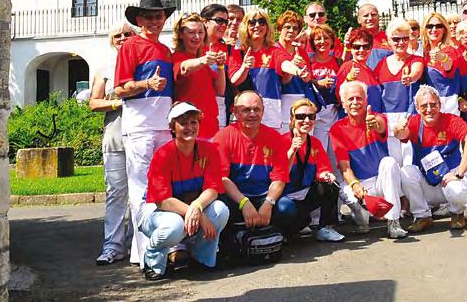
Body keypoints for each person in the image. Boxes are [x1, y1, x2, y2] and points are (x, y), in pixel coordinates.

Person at [114, 0, 176, 266]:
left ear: (164, 19)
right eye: (148, 17)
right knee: (140, 190)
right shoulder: (131, 47)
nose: (153, 21)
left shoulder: (165, 51)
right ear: (139, 20)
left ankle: (160, 247)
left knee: (162, 188)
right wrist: (146, 84)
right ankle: (141, 254)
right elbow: (119, 88)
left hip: (163, 127)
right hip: (139, 127)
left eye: (158, 16)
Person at [139, 102, 229, 280]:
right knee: (175, 225)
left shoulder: (209, 150)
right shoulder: (162, 155)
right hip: (157, 211)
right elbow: (162, 200)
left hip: (190, 208)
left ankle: (201, 259)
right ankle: (152, 261)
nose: (189, 127)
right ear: (173, 128)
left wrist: (196, 206)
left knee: (220, 210)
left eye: (193, 122)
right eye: (183, 123)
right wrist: (197, 213)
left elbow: (213, 189)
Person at [395, 86, 467, 231]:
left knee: (457, 190)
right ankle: (422, 216)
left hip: (450, 179)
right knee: (405, 172)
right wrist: (398, 128)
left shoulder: (451, 120)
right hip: (428, 181)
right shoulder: (415, 123)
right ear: (417, 108)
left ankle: (457, 213)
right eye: (424, 106)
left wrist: (459, 172)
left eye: (433, 104)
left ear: (439, 105)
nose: (429, 109)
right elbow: (400, 135)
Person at [329, 81, 408, 239]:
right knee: (345, 191)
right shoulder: (337, 129)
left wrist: (375, 124)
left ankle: (393, 222)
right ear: (343, 103)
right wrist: (355, 184)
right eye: (350, 99)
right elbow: (344, 165)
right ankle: (362, 219)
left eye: (359, 98)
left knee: (390, 162)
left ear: (366, 101)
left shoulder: (378, 117)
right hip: (361, 184)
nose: (355, 102)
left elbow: (380, 126)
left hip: (381, 182)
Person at [213, 91, 298, 235]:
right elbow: (222, 178)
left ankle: (270, 237)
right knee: (218, 210)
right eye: (246, 110)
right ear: (236, 112)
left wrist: (268, 203)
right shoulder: (223, 136)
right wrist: (244, 203)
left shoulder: (274, 137)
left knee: (287, 208)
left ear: (263, 111)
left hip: (263, 196)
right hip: (236, 197)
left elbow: (279, 177)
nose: (252, 114)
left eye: (257, 109)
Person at [91, 22, 136, 265]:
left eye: (127, 34)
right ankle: (113, 246)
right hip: (115, 135)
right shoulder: (105, 68)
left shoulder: (142, 63)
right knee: (116, 192)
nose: (122, 38)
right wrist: (115, 103)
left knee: (141, 192)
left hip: (140, 133)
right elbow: (93, 103)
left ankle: (137, 245)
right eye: (117, 35)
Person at [282, 99, 345, 242]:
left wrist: (325, 175)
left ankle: (326, 228)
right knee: (287, 211)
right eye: (300, 116)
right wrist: (292, 151)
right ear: (292, 119)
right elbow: (279, 174)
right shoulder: (282, 141)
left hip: (305, 193)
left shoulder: (315, 143)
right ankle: (284, 231)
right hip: (285, 196)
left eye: (311, 117)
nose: (306, 120)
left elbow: (323, 168)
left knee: (331, 185)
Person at [375, 18, 425, 164]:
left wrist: (410, 77)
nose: (401, 42)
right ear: (389, 40)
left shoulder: (416, 60)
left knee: (410, 166)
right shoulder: (381, 64)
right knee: (393, 165)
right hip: (388, 121)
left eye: (405, 38)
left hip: (409, 118)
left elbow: (416, 72)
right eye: (396, 39)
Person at [229, 9, 286, 132]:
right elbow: (234, 81)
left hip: (269, 112)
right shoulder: (238, 51)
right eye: (252, 22)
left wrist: (297, 69)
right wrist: (245, 67)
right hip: (244, 112)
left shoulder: (274, 50)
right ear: (246, 26)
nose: (257, 26)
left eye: (262, 22)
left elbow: (284, 63)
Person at [171, 13, 226, 140]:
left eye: (201, 32)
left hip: (210, 127)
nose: (197, 37)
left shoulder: (204, 61)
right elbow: (184, 68)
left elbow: (220, 90)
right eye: (191, 32)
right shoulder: (176, 57)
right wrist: (203, 60)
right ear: (181, 35)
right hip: (189, 130)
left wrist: (221, 66)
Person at [275, 10, 318, 133]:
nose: (291, 31)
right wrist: (293, 67)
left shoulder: (301, 51)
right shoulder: (275, 50)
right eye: (287, 27)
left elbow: (308, 79)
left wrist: (306, 76)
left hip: (302, 100)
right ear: (279, 29)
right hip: (282, 101)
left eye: (295, 28)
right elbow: (284, 81)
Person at [308, 24, 341, 151]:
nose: (322, 42)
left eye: (326, 38)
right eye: (318, 39)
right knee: (317, 153)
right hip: (315, 116)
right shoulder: (309, 62)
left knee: (335, 156)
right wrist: (318, 83)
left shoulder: (338, 62)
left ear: (332, 41)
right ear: (312, 42)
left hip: (334, 116)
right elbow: (304, 84)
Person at [336, 27, 384, 113]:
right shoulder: (347, 67)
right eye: (357, 47)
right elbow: (339, 97)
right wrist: (348, 79)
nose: (361, 50)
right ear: (351, 48)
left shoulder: (371, 71)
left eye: (366, 47)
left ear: (371, 48)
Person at [421, 12, 459, 115]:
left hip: (447, 107)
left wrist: (443, 58)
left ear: (444, 29)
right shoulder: (422, 52)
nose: (434, 30)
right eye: (430, 26)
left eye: (438, 26)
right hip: (427, 108)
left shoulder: (449, 50)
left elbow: (448, 66)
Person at [201, 4, 232, 128]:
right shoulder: (192, 47)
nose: (223, 25)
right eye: (219, 20)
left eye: (226, 21)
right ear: (205, 22)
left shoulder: (229, 49)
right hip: (193, 104)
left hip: (218, 106)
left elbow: (233, 80)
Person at [348, 4, 391, 70]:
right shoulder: (353, 39)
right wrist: (347, 47)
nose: (370, 18)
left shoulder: (390, 38)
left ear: (378, 17)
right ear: (359, 19)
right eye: (366, 15)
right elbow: (344, 62)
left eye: (373, 15)